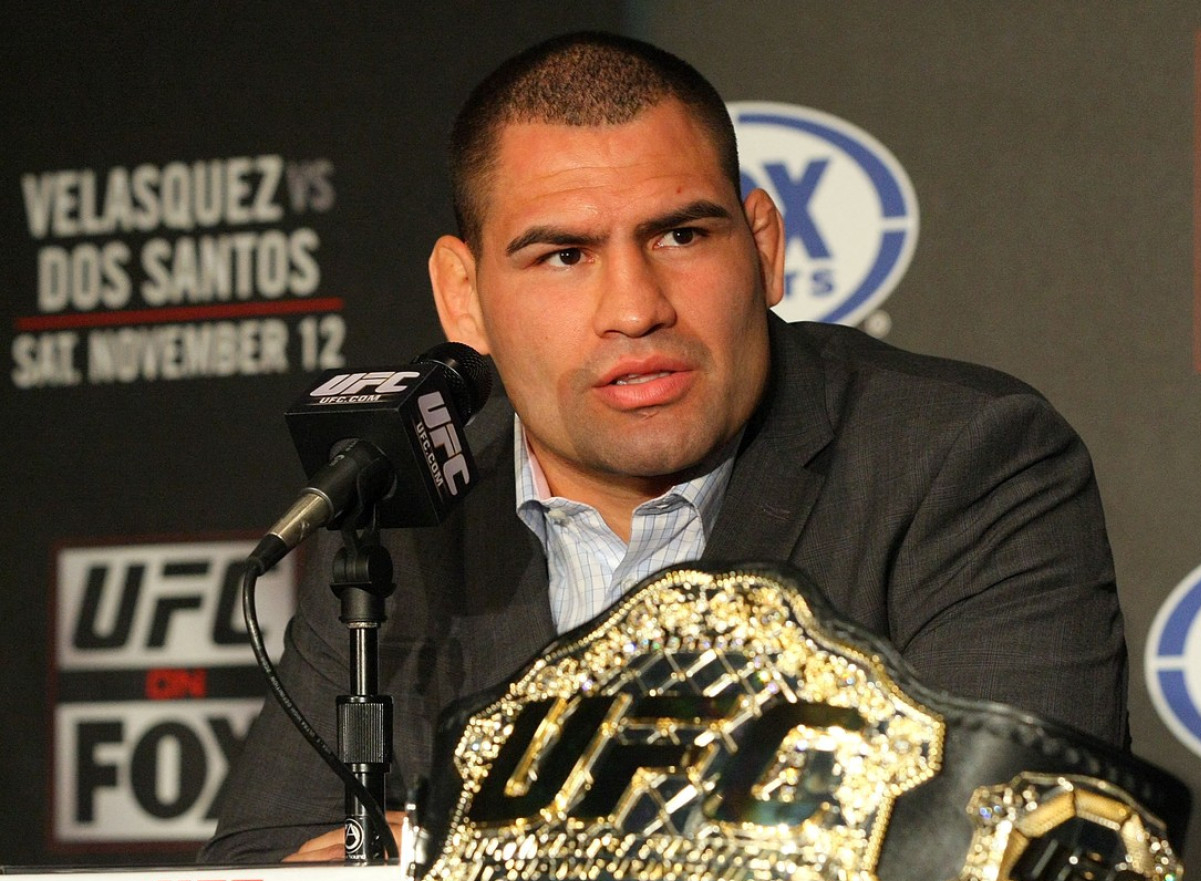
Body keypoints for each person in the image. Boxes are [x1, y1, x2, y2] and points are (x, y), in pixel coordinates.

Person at [202, 31, 1126, 863]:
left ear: (763, 248)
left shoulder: (964, 461)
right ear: (464, 298)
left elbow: (1018, 842)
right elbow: (262, 860)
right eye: (564, 255)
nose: (636, 307)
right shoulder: (409, 515)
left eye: (681, 235)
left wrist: (465, 850)